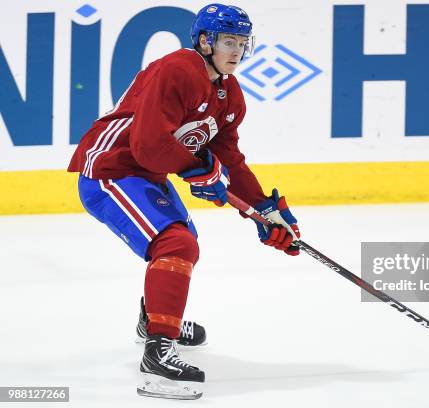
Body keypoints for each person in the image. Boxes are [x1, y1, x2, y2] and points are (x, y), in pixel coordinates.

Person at [67, 3, 301, 400]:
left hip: (144, 172)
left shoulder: (230, 95)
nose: (237, 51)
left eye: (243, 43)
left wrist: (265, 210)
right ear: (205, 41)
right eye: (229, 41)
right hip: (109, 169)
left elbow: (230, 158)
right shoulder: (177, 69)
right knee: (176, 243)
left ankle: (155, 322)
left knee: (182, 244)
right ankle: (157, 361)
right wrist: (198, 169)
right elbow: (147, 147)